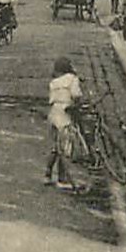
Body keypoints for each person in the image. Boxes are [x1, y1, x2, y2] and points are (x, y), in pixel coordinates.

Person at [45, 56, 83, 190]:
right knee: (65, 147)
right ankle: (61, 178)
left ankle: (47, 174)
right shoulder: (73, 79)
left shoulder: (54, 82)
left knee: (55, 146)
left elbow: (52, 98)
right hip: (65, 113)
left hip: (54, 112)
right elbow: (76, 95)